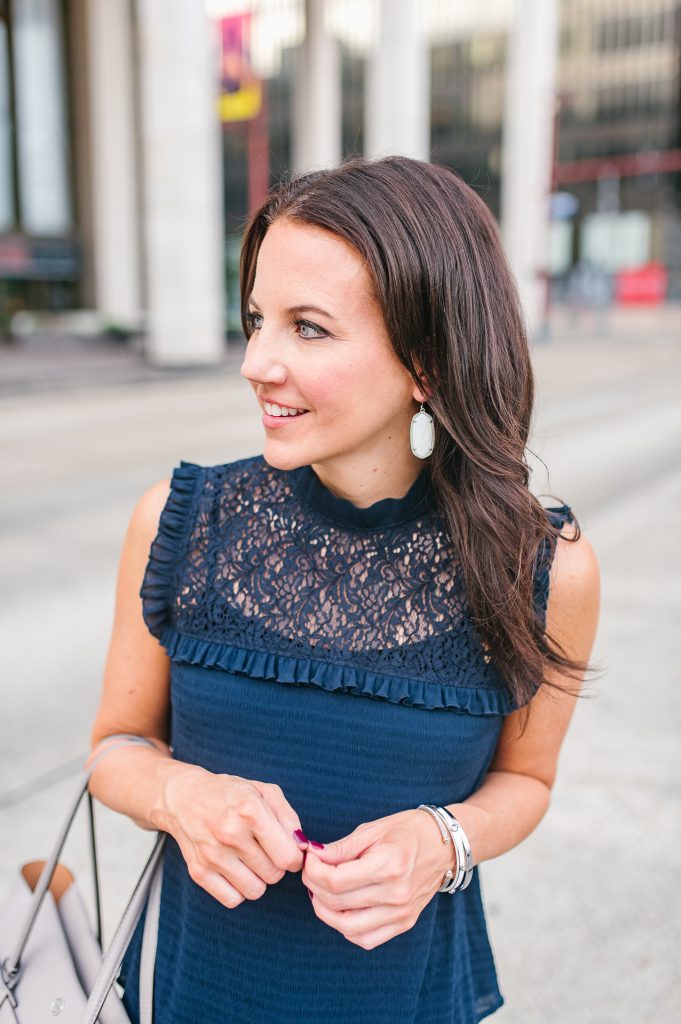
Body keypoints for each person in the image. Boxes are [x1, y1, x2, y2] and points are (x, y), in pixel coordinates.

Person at [88, 154, 600, 1024]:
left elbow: (526, 782)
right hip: (194, 993)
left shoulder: (544, 565)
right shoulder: (181, 521)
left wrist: (442, 842)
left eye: (308, 329)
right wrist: (183, 795)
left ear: (426, 361)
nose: (256, 361)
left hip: (402, 999)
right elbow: (114, 748)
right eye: (255, 320)